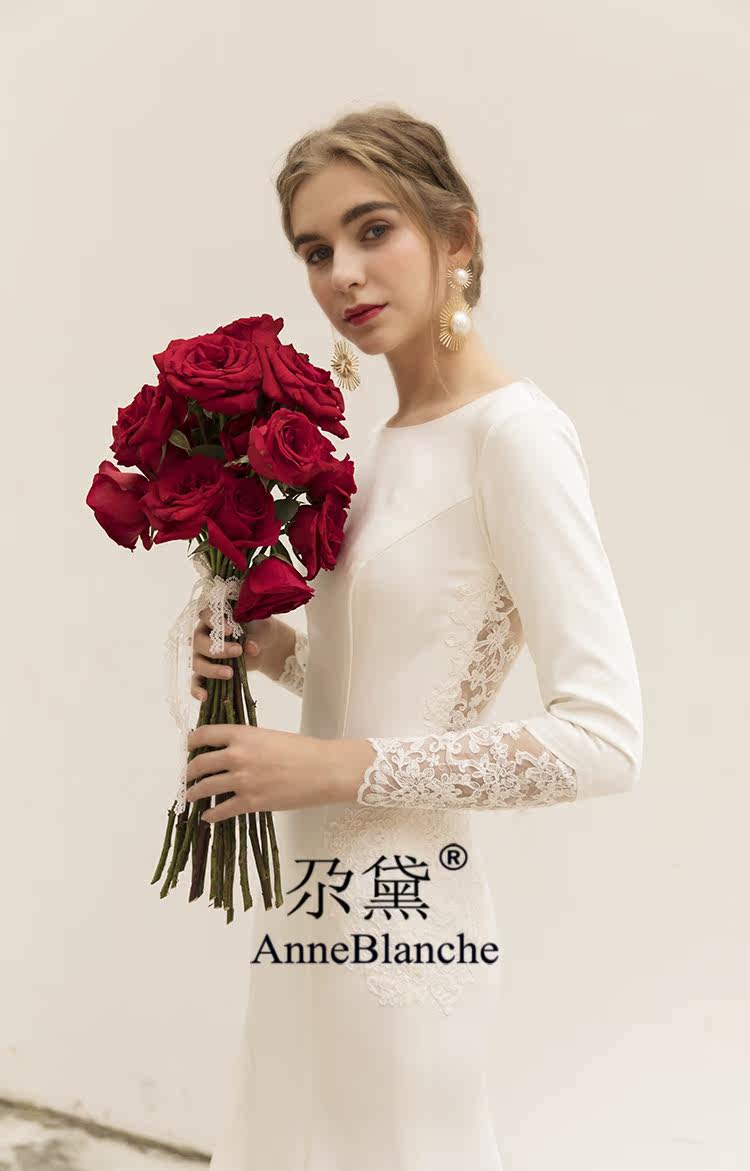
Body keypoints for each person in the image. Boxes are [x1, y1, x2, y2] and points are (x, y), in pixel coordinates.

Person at [187, 104, 644, 1170]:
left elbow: (606, 740)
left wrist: (326, 767)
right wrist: (269, 654)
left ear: (457, 234)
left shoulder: (516, 438)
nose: (343, 272)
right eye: (316, 250)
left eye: (372, 228)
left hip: (409, 924)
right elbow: (398, 679)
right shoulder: (379, 447)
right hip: (312, 901)